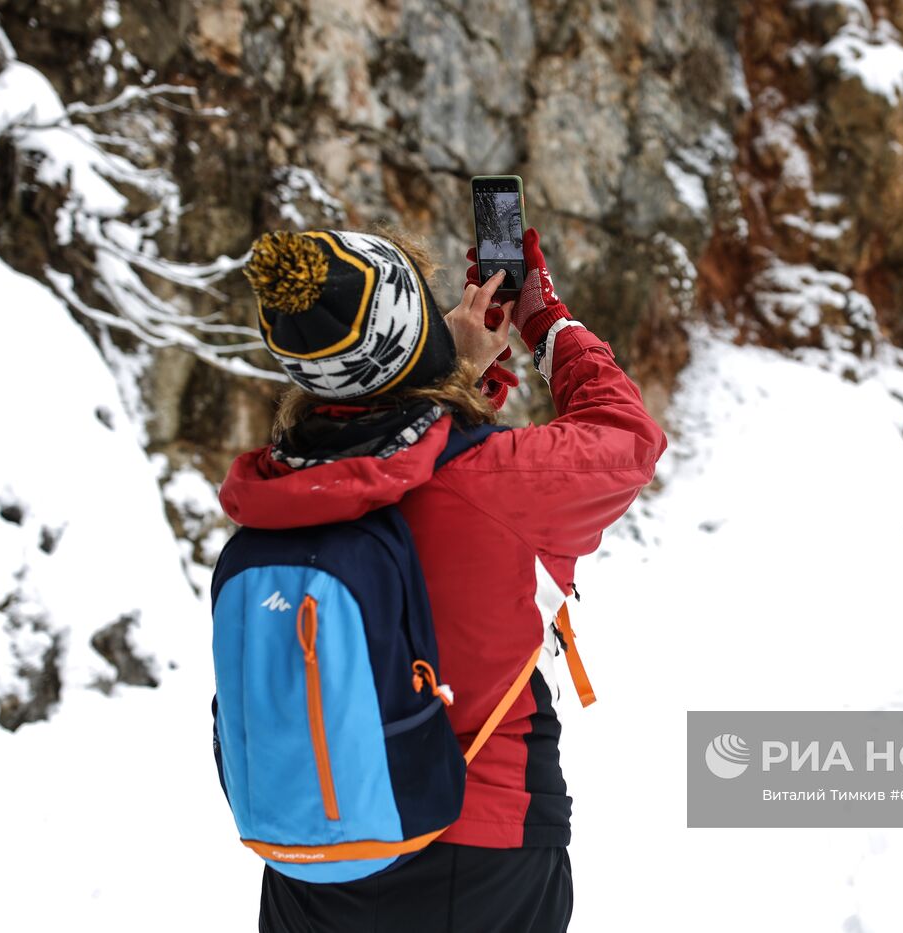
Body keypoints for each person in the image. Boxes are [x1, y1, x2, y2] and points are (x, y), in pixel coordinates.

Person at [219, 226, 668, 932]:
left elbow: (393, 452)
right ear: (416, 334)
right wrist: (545, 320)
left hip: (315, 855)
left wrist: (444, 371)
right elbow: (627, 432)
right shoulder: (500, 484)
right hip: (480, 851)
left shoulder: (279, 490)